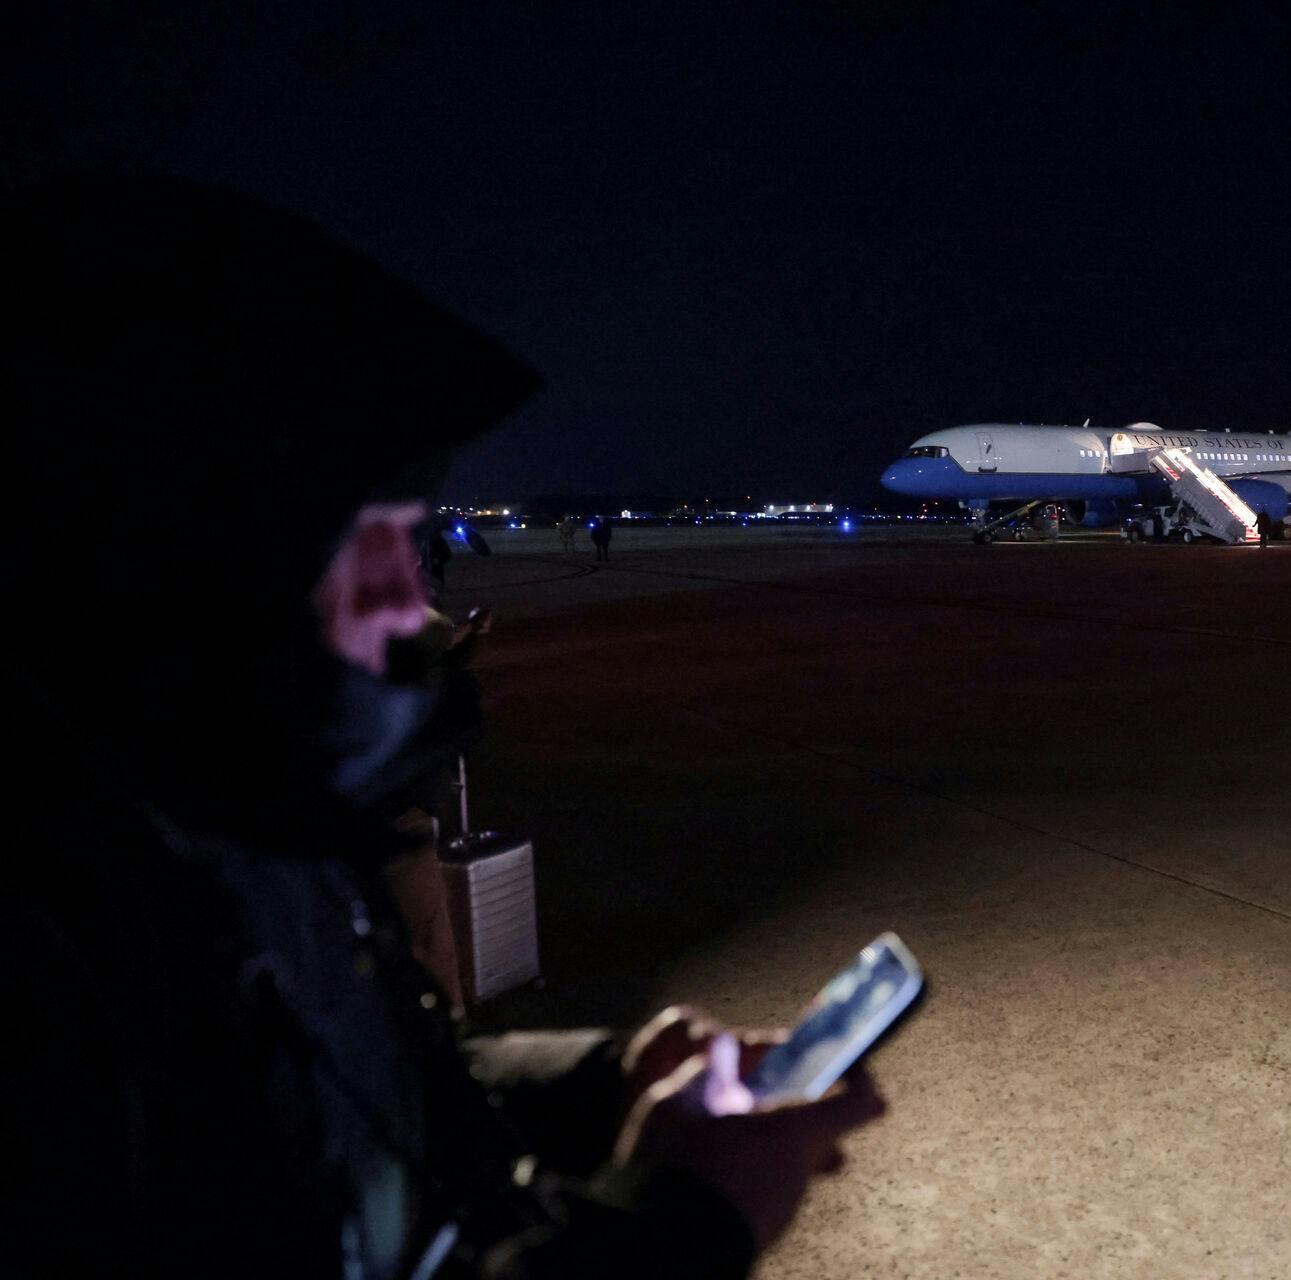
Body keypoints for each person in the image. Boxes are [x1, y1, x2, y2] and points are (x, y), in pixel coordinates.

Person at [3, 177, 883, 1279]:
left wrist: (606, 1076)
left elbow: (354, 1086)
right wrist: (681, 1220)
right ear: (173, 542)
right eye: (351, 538)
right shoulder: (48, 964)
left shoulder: (235, 811)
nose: (406, 606)